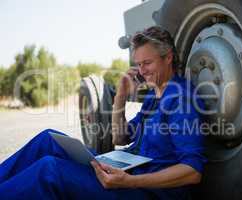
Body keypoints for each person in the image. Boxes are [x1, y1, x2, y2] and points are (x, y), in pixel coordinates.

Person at [0, 26, 206, 200]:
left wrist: (130, 182)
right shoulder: (154, 96)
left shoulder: (181, 99)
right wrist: (121, 97)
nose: (142, 71)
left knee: (50, 170)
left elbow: (192, 171)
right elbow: (120, 137)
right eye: (138, 64)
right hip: (127, 169)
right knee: (47, 140)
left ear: (168, 57)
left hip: (148, 190)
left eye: (147, 63)